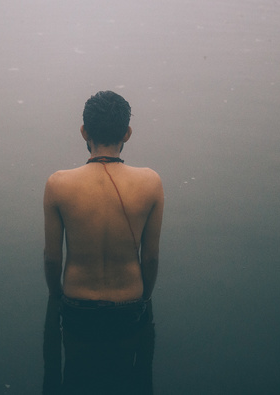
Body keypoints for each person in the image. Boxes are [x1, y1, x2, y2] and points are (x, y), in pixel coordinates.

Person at [43, 90, 163, 393]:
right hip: (130, 308)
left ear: (84, 131)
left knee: (75, 380)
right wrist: (146, 298)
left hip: (76, 309)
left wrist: (55, 296)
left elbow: (52, 258)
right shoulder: (150, 182)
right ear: (128, 133)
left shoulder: (58, 184)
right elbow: (150, 258)